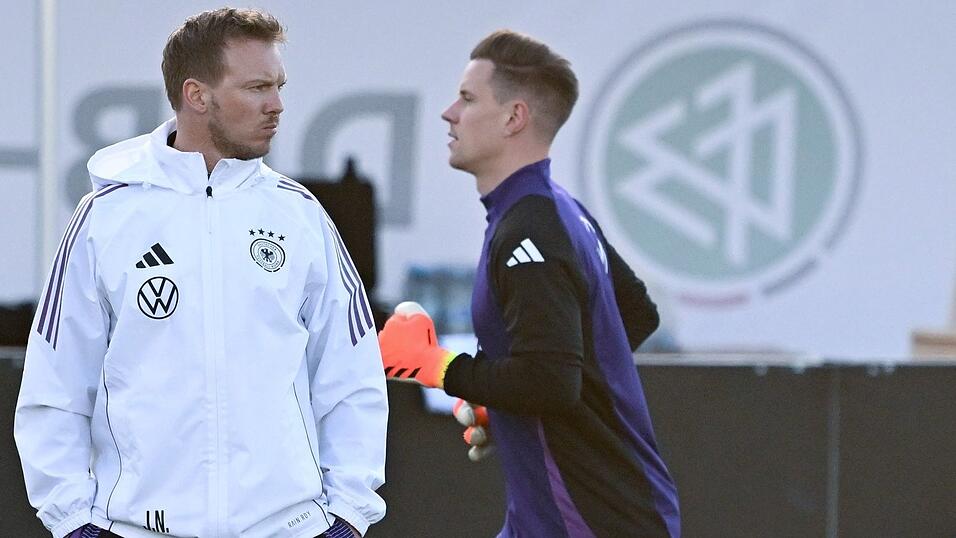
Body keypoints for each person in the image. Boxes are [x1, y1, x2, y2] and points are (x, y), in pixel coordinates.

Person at [15, 8, 387, 538]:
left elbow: (353, 379)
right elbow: (54, 386)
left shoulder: (300, 216)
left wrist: (348, 514)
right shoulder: (106, 216)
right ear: (196, 95)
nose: (277, 105)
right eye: (257, 87)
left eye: (278, 86)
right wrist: (73, 520)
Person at [379, 30, 680, 536]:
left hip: (592, 522)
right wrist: (507, 402)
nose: (449, 113)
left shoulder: (531, 227)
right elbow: (631, 316)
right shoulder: (555, 209)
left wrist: (438, 366)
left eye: (468, 98)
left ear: (513, 118)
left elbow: (549, 381)